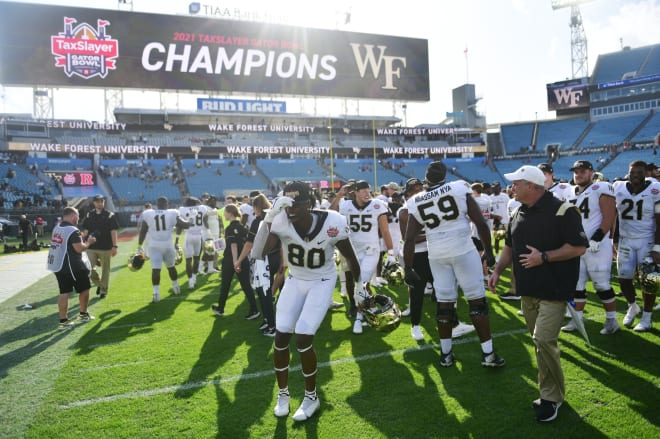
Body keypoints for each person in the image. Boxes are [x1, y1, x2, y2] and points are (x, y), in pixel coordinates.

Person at [252, 181, 363, 421]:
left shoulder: (332, 221)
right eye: (287, 204)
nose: (291, 209)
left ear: (309, 204)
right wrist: (270, 216)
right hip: (295, 280)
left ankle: (311, 396)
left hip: (322, 280)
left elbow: (350, 257)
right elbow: (257, 251)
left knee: (303, 335)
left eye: (297, 204)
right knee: (281, 336)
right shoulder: (280, 220)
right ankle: (283, 394)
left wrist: (361, 287)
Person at [488, 165, 587, 422]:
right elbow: (510, 244)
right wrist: (498, 270)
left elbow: (578, 247)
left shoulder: (563, 210)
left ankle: (553, 398)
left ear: (532, 186)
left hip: (554, 288)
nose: (511, 188)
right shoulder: (519, 211)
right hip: (528, 289)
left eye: (516, 183)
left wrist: (544, 257)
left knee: (543, 340)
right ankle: (548, 393)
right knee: (539, 343)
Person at [404, 161, 503, 368]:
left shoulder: (416, 200)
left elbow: (410, 238)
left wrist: (408, 267)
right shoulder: (458, 187)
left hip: (437, 254)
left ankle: (446, 355)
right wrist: (489, 251)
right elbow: (479, 222)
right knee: (477, 301)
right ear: (445, 177)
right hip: (463, 248)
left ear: (426, 179)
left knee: (444, 304)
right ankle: (488, 354)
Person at [561, 160, 619, 335]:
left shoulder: (601, 188)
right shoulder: (569, 191)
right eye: (576, 171)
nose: (578, 174)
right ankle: (577, 319)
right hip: (576, 246)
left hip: (597, 246)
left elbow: (609, 216)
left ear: (591, 172)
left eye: (582, 171)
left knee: (601, 285)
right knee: (577, 285)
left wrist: (596, 238)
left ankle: (612, 320)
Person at [332, 179, 397, 334]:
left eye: (368, 190)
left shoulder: (377, 205)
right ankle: (372, 308)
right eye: (363, 191)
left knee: (360, 284)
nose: (368, 193)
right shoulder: (346, 205)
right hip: (351, 251)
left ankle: (359, 319)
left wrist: (391, 253)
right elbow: (330, 213)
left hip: (371, 251)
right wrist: (338, 196)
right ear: (355, 192)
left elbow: (385, 231)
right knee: (361, 285)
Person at [614, 160, 660, 331]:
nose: (635, 176)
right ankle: (633, 306)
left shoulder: (655, 189)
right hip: (626, 239)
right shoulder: (618, 187)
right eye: (632, 172)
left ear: (645, 174)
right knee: (624, 278)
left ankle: (647, 318)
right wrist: (615, 238)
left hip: (647, 240)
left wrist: (658, 246)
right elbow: (613, 214)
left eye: (639, 173)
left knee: (649, 280)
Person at [234, 194, 282, 336]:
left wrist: (238, 260)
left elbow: (249, 244)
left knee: (264, 293)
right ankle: (268, 320)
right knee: (267, 293)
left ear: (256, 207)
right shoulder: (276, 218)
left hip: (264, 260)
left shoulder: (258, 221)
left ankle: (272, 325)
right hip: (277, 258)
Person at [46, 207, 96, 330]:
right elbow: (79, 248)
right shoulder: (73, 230)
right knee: (85, 288)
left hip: (58, 265)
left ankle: (63, 321)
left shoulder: (57, 227)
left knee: (64, 292)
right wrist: (89, 242)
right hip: (72, 266)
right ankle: (83, 314)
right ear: (73, 216)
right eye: (78, 216)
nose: (78, 219)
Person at [211, 204, 260, 320]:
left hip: (231, 260)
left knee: (225, 285)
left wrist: (235, 262)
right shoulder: (243, 227)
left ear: (230, 213)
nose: (224, 214)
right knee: (246, 286)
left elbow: (233, 246)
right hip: (243, 259)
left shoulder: (230, 228)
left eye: (225, 212)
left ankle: (221, 308)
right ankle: (254, 309)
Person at [138, 196, 191, 302]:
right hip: (167, 245)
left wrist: (139, 245)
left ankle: (156, 293)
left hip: (154, 246)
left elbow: (143, 231)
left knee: (155, 270)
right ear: (167, 204)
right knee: (171, 267)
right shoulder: (172, 213)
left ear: (157, 204)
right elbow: (184, 225)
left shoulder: (149, 213)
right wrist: (191, 220)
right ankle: (176, 287)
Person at [81, 194, 119, 299]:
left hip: (106, 247)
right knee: (88, 269)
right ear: (94, 203)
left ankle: (103, 291)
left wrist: (115, 246)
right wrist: (83, 241)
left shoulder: (109, 215)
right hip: (91, 247)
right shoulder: (89, 214)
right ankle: (99, 285)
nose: (100, 203)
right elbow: (86, 230)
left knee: (105, 270)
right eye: (97, 201)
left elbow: (113, 231)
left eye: (101, 201)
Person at [177, 197, 208, 289]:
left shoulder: (182, 210)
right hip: (199, 236)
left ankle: (190, 281)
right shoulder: (202, 208)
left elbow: (179, 226)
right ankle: (194, 279)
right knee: (196, 259)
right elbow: (205, 221)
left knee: (188, 261)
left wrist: (177, 239)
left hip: (189, 236)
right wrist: (209, 233)